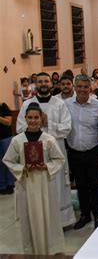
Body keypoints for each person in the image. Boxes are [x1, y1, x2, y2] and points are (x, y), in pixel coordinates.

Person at [3, 102, 65, 255]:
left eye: (36, 117)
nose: (33, 121)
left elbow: (59, 159)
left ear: (41, 119)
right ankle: (31, 252)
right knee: (28, 218)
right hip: (26, 183)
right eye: (30, 117)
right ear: (25, 118)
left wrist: (46, 166)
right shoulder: (17, 140)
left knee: (48, 216)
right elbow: (8, 160)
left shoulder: (48, 139)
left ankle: (50, 251)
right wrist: (21, 168)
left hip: (45, 183)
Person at [16, 72, 75, 228]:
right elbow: (20, 128)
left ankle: (61, 222)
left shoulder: (60, 103)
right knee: (37, 185)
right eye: (40, 81)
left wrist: (49, 125)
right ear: (36, 84)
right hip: (34, 151)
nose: (43, 84)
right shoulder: (27, 104)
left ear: (51, 84)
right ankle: (39, 222)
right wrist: (37, 125)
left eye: (46, 81)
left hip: (56, 149)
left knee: (57, 183)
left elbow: (66, 128)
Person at [66, 74, 98, 229]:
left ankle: (97, 214)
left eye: (85, 87)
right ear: (75, 88)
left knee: (94, 184)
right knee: (80, 185)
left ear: (91, 88)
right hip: (74, 152)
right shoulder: (66, 105)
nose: (82, 89)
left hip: (93, 151)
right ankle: (85, 215)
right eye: (80, 87)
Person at [0, 101, 14, 194]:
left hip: (6, 138)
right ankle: (2, 185)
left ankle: (10, 184)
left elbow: (8, 122)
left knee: (8, 161)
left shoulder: (3, 106)